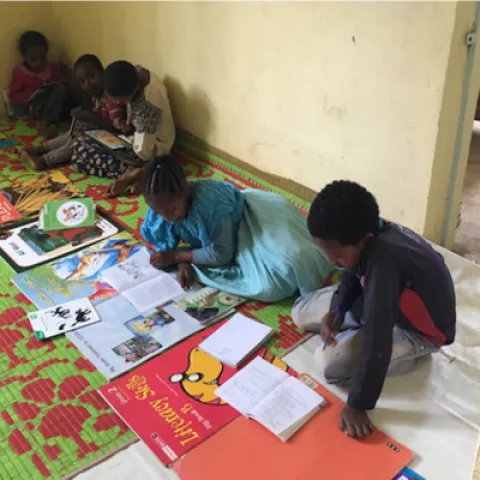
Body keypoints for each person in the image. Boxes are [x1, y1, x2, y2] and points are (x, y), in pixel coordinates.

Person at [292, 180, 456, 439]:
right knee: (301, 312)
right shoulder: (366, 233)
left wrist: (358, 404)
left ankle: (412, 354)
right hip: (383, 299)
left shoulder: (383, 263)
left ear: (364, 241)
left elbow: (378, 338)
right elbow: (350, 273)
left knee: (329, 365)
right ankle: (350, 323)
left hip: (418, 331)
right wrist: (337, 311)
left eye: (335, 256)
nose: (330, 262)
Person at [140, 155, 332, 302]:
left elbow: (222, 254)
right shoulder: (162, 207)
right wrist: (182, 261)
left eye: (171, 210)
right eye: (159, 212)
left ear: (186, 191)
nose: (167, 218)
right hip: (225, 235)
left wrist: (177, 257)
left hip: (250, 221)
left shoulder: (210, 206)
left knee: (287, 269)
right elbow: (164, 243)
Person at [21, 54, 129, 171]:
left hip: (116, 140)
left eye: (90, 77)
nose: (87, 83)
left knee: (80, 140)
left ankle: (45, 160)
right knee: (73, 132)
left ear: (102, 73)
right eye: (82, 81)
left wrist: (89, 116)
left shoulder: (110, 97)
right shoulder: (96, 96)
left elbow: (114, 126)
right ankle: (41, 149)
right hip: (103, 133)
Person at [100, 60, 176, 197]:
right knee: (92, 139)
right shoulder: (139, 74)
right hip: (141, 137)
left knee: (86, 151)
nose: (118, 104)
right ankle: (143, 174)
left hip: (154, 149)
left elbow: (143, 151)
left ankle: (143, 173)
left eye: (121, 101)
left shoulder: (146, 105)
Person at [8, 31, 71, 138]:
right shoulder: (21, 72)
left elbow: (60, 83)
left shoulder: (53, 67)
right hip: (37, 107)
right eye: (33, 59)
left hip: (54, 103)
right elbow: (13, 95)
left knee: (62, 90)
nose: (38, 62)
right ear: (24, 56)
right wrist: (30, 97)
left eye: (42, 57)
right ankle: (44, 124)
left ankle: (58, 120)